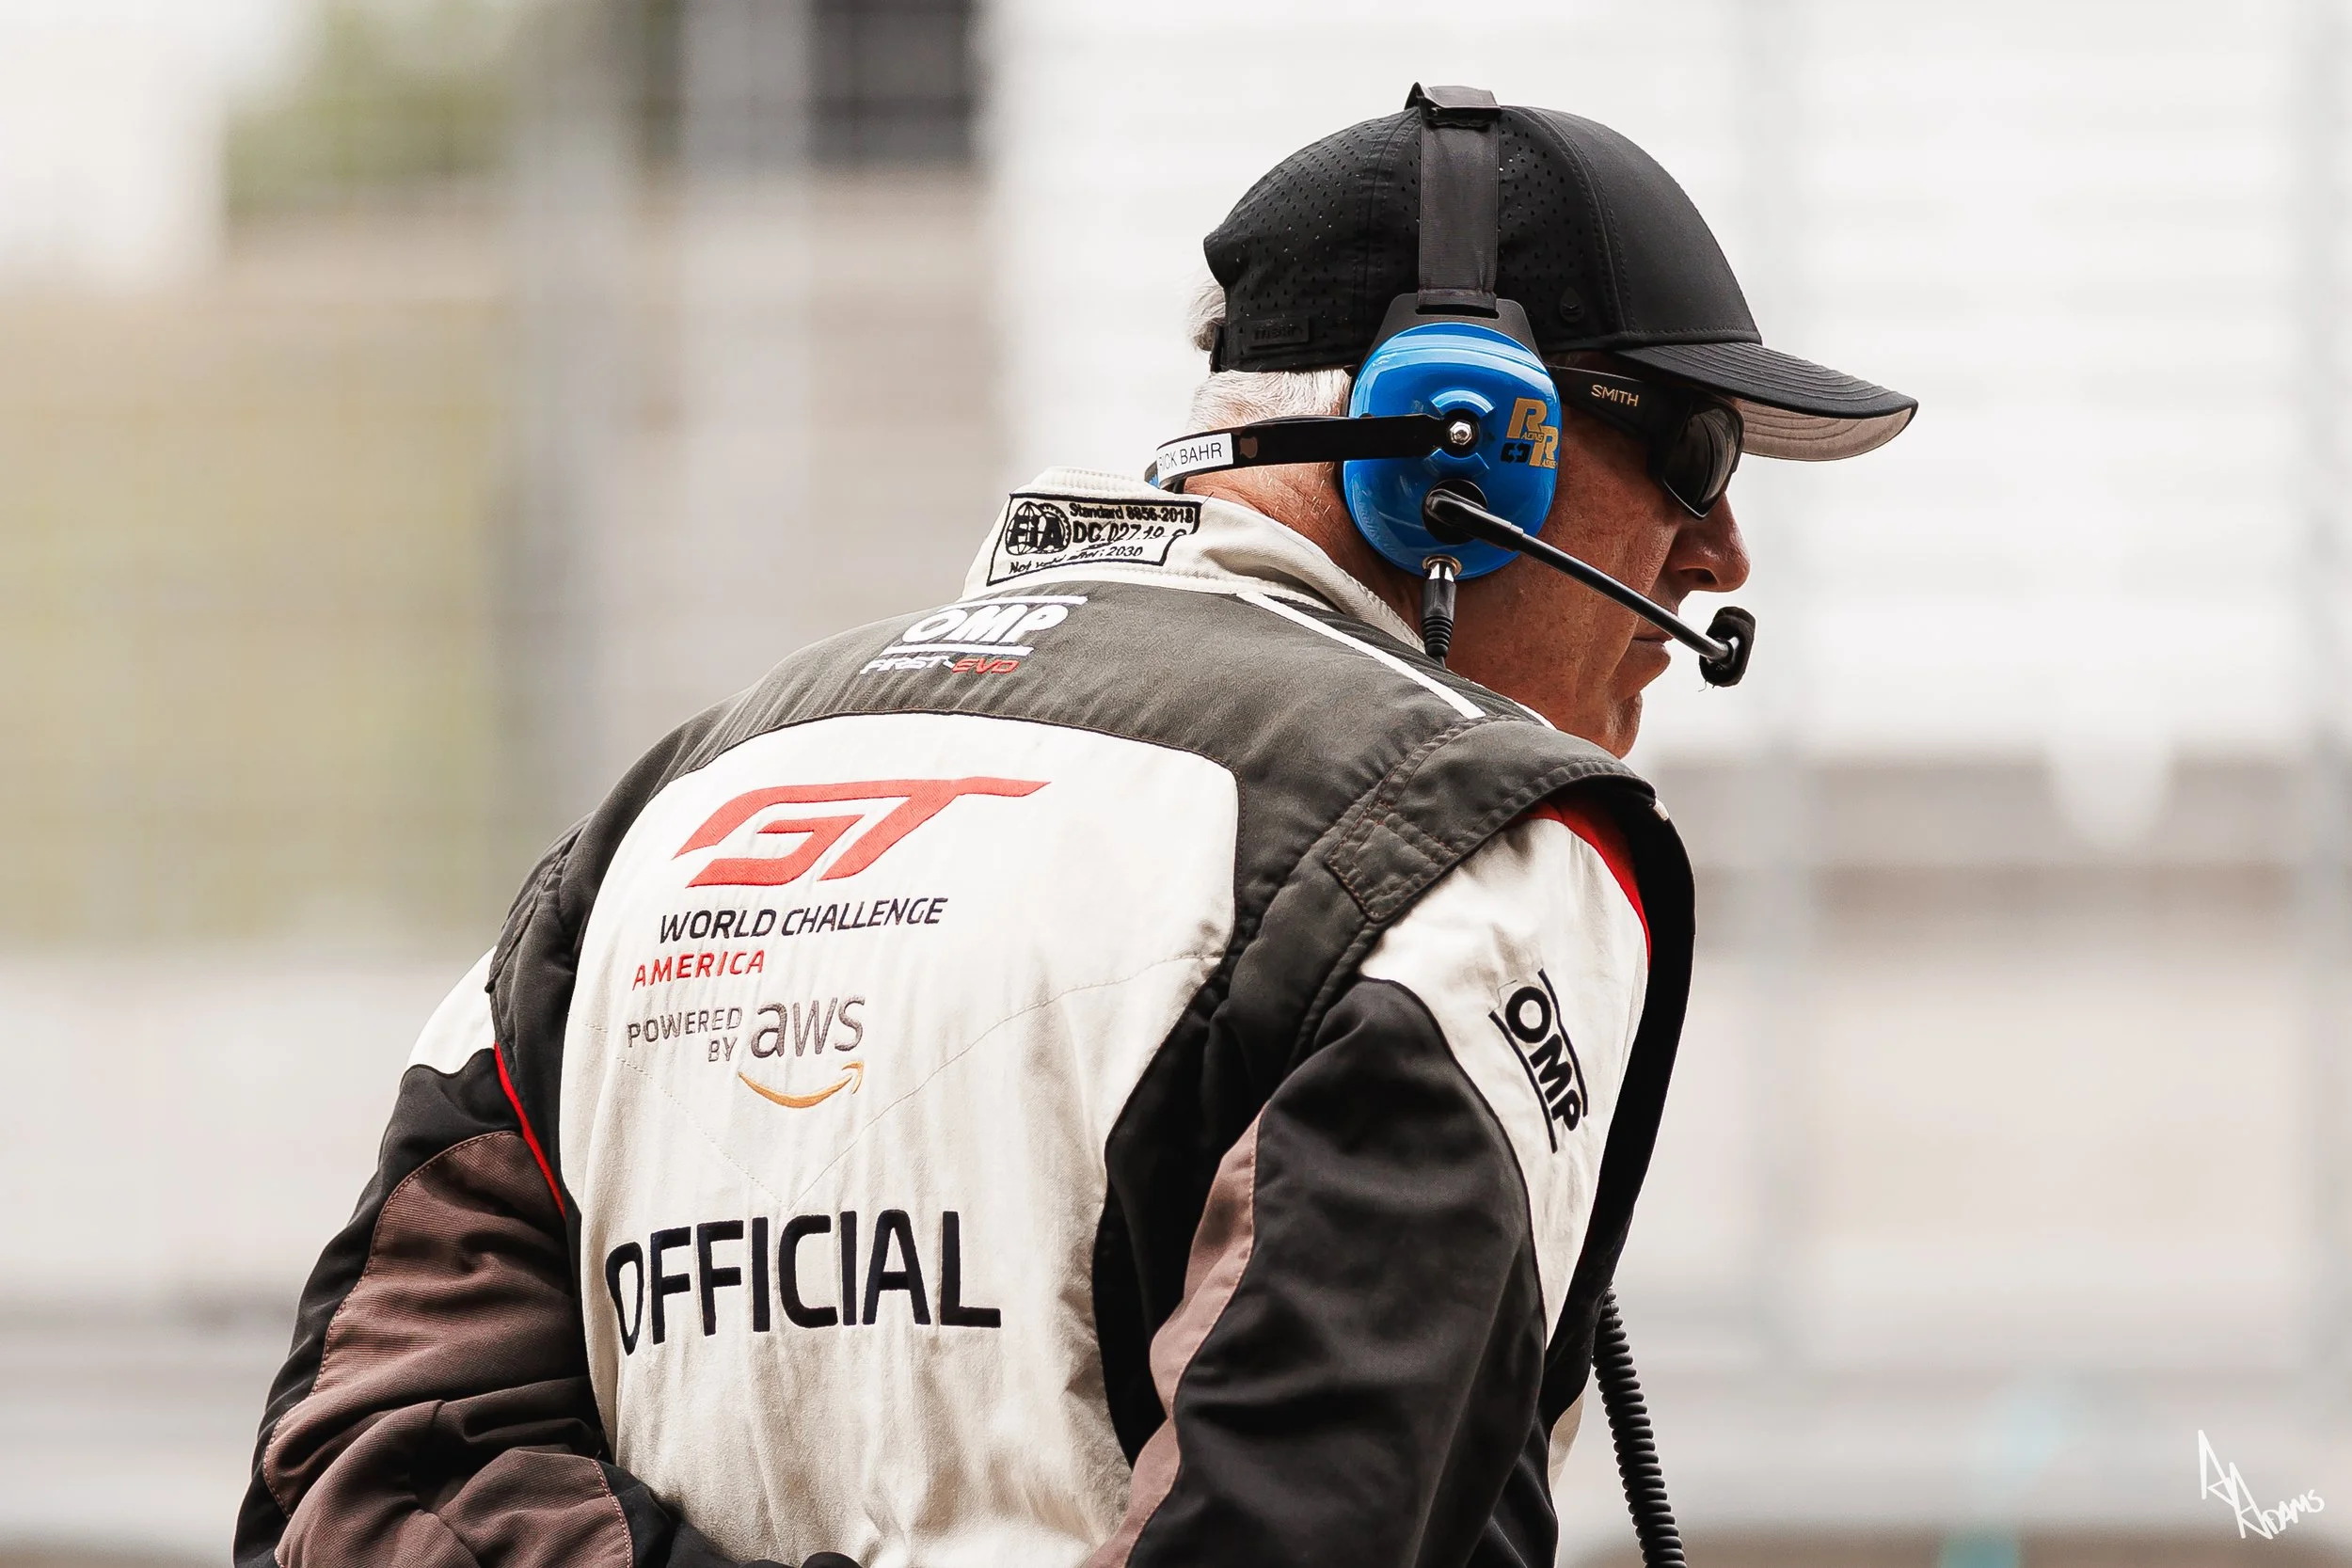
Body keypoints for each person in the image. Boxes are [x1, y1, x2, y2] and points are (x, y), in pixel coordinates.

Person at [236, 87, 1912, 1568]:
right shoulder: (1476, 849)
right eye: (1694, 449)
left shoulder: (667, 810)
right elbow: (1297, 1520)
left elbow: (366, 1481)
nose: (1721, 553)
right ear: (1461, 447)